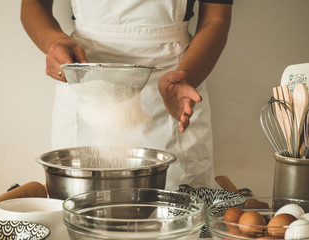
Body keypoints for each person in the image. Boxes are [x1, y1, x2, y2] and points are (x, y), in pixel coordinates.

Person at [20, 0, 233, 190]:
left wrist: (186, 76)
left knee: (179, 216)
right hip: (85, 76)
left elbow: (215, 18)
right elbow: (33, 5)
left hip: (174, 77)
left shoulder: (181, 79)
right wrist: (55, 41)